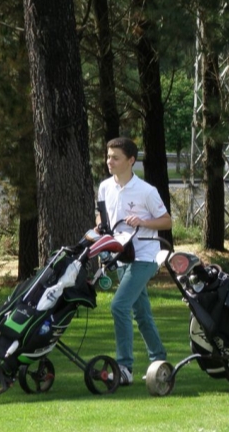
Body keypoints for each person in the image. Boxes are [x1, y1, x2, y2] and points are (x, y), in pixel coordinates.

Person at [97, 137, 172, 385]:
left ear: (130, 161)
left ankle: (124, 368)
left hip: (146, 257)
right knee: (142, 313)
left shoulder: (147, 191)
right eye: (108, 156)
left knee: (119, 306)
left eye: (115, 157)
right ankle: (160, 360)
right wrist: (100, 233)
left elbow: (166, 221)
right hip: (120, 259)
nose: (110, 161)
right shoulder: (105, 187)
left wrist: (143, 222)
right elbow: (103, 220)